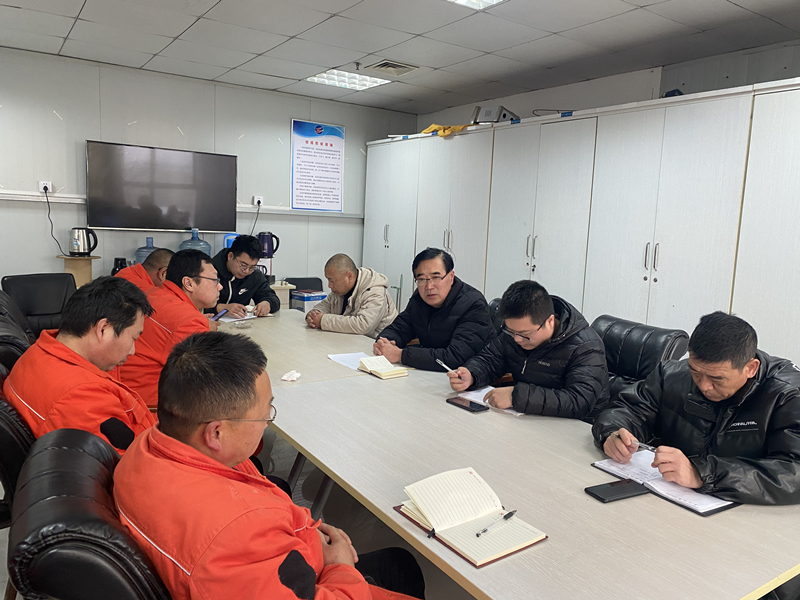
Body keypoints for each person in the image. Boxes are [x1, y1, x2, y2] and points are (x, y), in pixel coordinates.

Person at [114, 331, 425, 600]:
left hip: (287, 557)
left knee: (399, 562)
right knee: (401, 567)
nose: (266, 424)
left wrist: (308, 532)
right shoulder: (235, 533)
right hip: (317, 578)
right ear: (216, 433)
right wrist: (340, 566)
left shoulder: (150, 445)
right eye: (264, 415)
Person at [593, 311, 800, 505]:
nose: (704, 386)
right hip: (667, 499)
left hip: (747, 514)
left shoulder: (787, 396)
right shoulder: (673, 375)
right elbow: (627, 409)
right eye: (695, 372)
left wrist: (701, 474)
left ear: (750, 368)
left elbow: (794, 473)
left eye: (717, 379)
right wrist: (611, 433)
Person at [2, 276, 155, 454]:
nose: (132, 351)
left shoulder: (37, 354)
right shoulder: (82, 395)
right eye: (133, 338)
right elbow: (129, 463)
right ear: (103, 329)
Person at [448, 280, 609, 419]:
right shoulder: (515, 333)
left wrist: (516, 396)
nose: (517, 339)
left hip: (575, 428)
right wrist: (471, 375)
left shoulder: (586, 346)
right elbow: (490, 359)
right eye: (511, 331)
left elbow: (579, 401)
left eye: (525, 335)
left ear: (550, 321)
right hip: (527, 417)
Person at [118, 249, 221, 407]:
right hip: (150, 407)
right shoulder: (188, 320)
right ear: (189, 283)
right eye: (214, 280)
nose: (220, 287)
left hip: (124, 393)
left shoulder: (153, 295)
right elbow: (206, 380)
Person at [374, 248, 495, 371]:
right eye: (421, 279)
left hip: (467, 376)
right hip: (431, 370)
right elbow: (400, 328)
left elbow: (456, 356)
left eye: (436, 277)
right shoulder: (419, 299)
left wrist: (401, 355)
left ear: (451, 276)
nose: (429, 286)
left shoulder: (473, 304)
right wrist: (384, 342)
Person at [306, 254, 398, 337]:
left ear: (349, 276)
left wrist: (323, 320)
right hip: (350, 341)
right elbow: (325, 305)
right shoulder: (339, 290)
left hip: (377, 344)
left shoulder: (375, 291)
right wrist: (314, 314)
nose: (329, 285)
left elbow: (363, 325)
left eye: (332, 281)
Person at [210, 234, 280, 318]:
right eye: (243, 265)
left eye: (252, 267)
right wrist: (220, 308)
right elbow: (195, 303)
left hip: (239, 323)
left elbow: (272, 297)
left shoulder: (254, 276)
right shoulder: (208, 271)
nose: (246, 271)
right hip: (207, 323)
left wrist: (267, 303)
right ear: (230, 256)